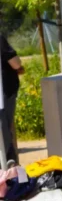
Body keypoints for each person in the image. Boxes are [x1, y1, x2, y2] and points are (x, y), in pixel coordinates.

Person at [0, 33, 24, 165]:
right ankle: (10, 166)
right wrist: (19, 68)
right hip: (4, 93)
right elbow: (15, 63)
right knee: (4, 131)